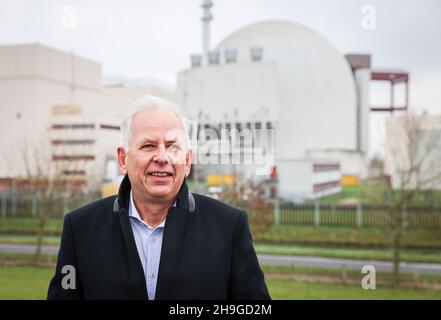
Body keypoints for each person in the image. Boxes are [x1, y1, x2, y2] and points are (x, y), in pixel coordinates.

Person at [47, 95, 270, 300]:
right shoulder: (80, 229)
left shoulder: (229, 227)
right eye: (148, 145)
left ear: (188, 160)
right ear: (123, 159)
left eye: (173, 146)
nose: (162, 157)